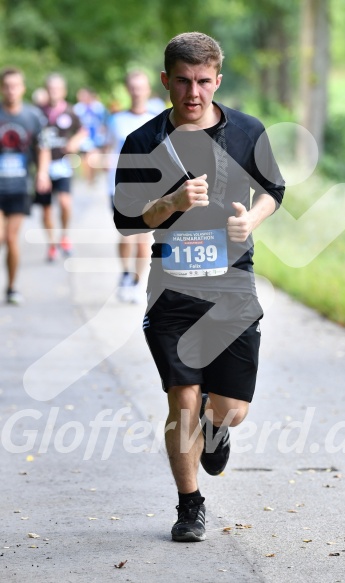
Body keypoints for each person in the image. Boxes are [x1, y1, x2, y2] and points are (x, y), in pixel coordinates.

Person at [114, 32, 285, 542]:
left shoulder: (248, 131)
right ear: (166, 80)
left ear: (218, 80)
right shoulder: (143, 142)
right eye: (183, 81)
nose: (194, 93)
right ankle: (190, 508)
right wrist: (169, 203)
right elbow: (126, 220)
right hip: (173, 290)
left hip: (232, 289)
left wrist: (250, 220)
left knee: (229, 409)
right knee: (182, 395)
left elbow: (273, 190)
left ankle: (216, 430)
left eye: (204, 82)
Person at [0, 67, 51, 304]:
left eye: (15, 85)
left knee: (11, 239)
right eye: (6, 86)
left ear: (22, 88)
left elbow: (43, 147)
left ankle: (11, 287)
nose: (10, 90)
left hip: (20, 187)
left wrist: (42, 173)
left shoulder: (32, 117)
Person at [107, 70, 155, 302]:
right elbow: (107, 151)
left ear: (148, 89)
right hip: (120, 187)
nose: (137, 91)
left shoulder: (158, 119)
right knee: (127, 234)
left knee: (144, 237)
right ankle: (126, 273)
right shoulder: (116, 120)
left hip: (148, 187)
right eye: (133, 87)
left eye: (141, 87)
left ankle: (137, 283)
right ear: (128, 90)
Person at [35, 73, 87, 261]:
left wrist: (75, 141)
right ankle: (51, 244)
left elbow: (83, 130)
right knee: (46, 209)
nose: (53, 92)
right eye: (50, 89)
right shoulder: (38, 112)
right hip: (43, 166)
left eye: (57, 89)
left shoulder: (70, 112)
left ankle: (64, 235)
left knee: (65, 203)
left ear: (64, 91)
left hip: (63, 165)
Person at [73, 87, 107, 183]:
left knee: (93, 158)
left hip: (96, 137)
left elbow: (104, 121)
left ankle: (92, 177)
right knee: (86, 159)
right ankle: (88, 178)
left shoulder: (98, 107)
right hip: (84, 138)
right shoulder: (78, 108)